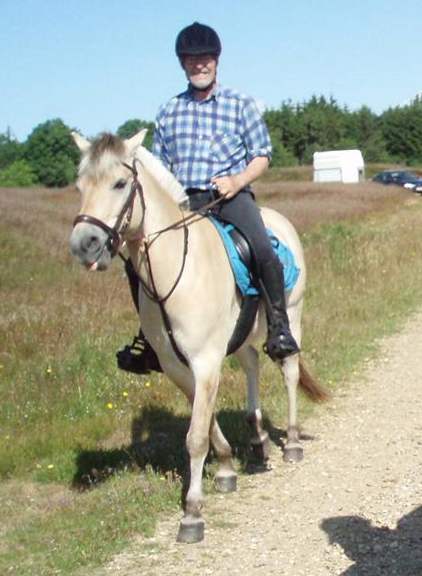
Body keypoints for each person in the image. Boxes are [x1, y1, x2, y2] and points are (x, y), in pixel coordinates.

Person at [116, 22, 299, 373]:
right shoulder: (169, 111)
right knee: (136, 262)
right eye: (191, 60)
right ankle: (151, 339)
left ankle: (279, 327)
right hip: (183, 203)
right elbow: (158, 168)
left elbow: (262, 154)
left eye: (205, 60)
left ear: (216, 61)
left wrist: (238, 180)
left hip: (229, 197)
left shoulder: (239, 104)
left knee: (262, 248)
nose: (199, 66)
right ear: (182, 64)